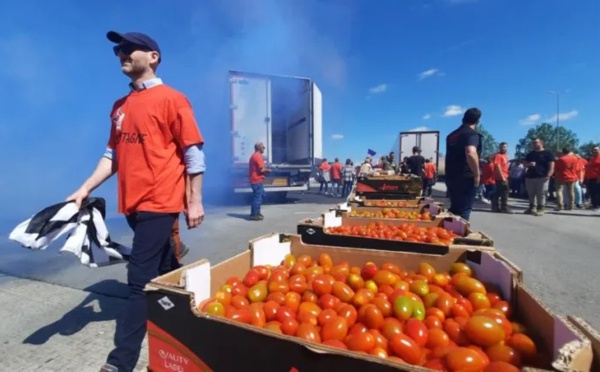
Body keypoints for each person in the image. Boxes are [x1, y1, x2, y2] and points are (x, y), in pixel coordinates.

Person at [65, 31, 206, 372]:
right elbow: (112, 154)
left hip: (161, 199)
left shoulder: (174, 99)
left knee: (137, 282)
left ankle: (120, 362)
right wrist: (84, 187)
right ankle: (192, 313)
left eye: (129, 48)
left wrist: (194, 200)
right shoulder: (120, 106)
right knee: (164, 269)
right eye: (118, 50)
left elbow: (193, 151)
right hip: (132, 203)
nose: (121, 54)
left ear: (153, 57)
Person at [444, 108, 483, 221]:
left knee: (455, 208)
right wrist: (477, 174)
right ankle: (460, 235)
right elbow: (471, 153)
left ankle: (449, 232)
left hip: (451, 176)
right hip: (466, 176)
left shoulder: (452, 135)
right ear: (478, 121)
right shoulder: (471, 134)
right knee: (464, 210)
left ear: (463, 119)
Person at [524, 138, 555, 216]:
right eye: (533, 143)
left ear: (541, 143)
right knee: (531, 193)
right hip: (530, 176)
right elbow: (524, 164)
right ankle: (531, 207)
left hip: (542, 177)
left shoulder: (548, 154)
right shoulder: (530, 154)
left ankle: (540, 208)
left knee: (541, 194)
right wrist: (528, 165)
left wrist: (549, 175)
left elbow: (551, 165)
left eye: (536, 143)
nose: (534, 144)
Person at [249, 142, 270, 220]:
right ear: (259, 148)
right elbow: (262, 169)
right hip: (257, 180)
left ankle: (256, 212)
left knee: (261, 196)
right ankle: (254, 214)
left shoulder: (254, 156)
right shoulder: (258, 156)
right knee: (258, 197)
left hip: (255, 180)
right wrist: (269, 170)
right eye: (263, 147)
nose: (264, 148)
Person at [491, 142, 513, 213]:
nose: (503, 148)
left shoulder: (506, 156)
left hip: (505, 176)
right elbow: (497, 167)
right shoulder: (498, 156)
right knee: (504, 193)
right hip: (500, 177)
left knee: (502, 192)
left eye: (504, 147)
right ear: (499, 148)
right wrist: (502, 177)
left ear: (507, 148)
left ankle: (496, 207)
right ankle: (503, 207)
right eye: (502, 147)